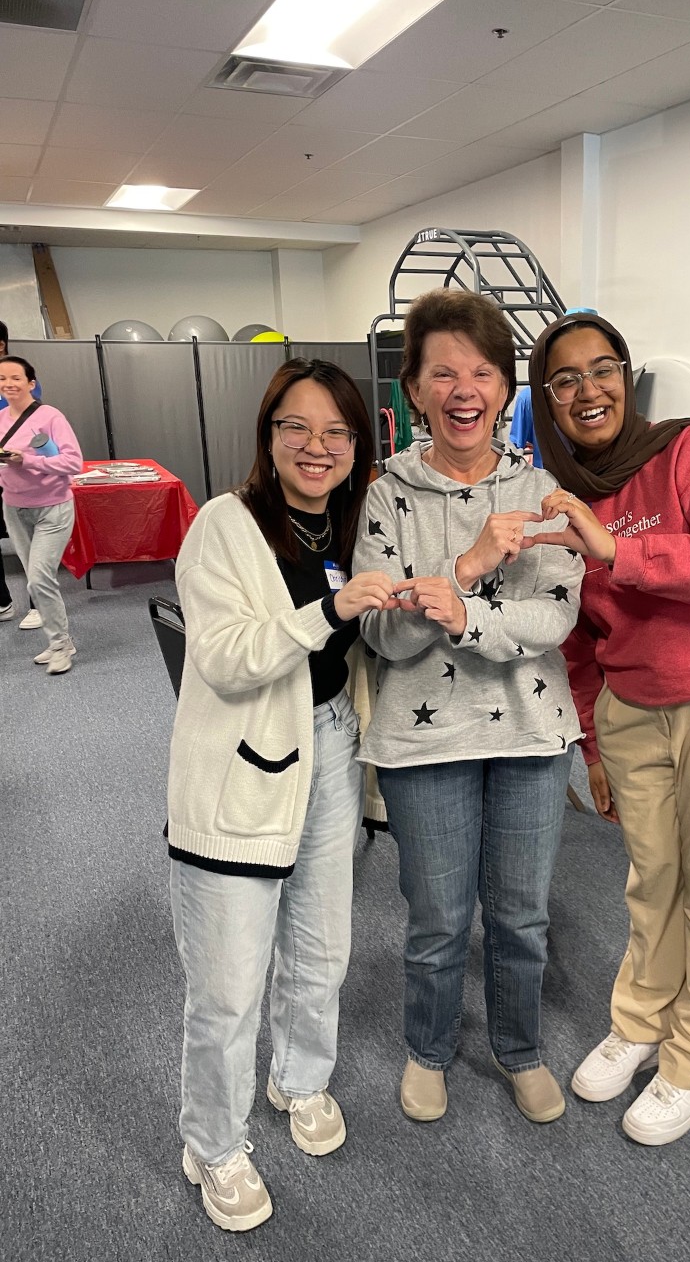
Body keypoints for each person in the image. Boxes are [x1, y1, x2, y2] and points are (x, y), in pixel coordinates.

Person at [526, 312, 690, 1146]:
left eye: (602, 369)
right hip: (632, 711)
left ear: (626, 377)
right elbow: (577, 638)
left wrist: (618, 550)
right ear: (547, 400)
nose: (587, 390)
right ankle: (641, 1021)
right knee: (653, 883)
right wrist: (592, 745)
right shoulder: (562, 497)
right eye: (564, 380)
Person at [167, 358, 396, 1233]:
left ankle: (299, 1078)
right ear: (267, 436)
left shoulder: (350, 523)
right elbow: (224, 658)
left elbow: (366, 636)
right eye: (295, 426)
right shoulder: (224, 525)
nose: (316, 446)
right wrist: (329, 614)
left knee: (321, 943)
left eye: (337, 431)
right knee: (228, 979)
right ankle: (212, 1143)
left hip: (331, 742)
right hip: (240, 763)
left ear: (357, 446)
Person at [352, 289, 585, 1126]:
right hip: (424, 744)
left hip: (531, 733)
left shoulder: (542, 492)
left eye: (483, 372)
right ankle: (429, 1047)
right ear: (413, 390)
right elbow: (384, 633)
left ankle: (520, 1049)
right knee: (438, 919)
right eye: (443, 373)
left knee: (521, 916)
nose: (464, 390)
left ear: (504, 389)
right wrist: (470, 565)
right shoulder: (387, 495)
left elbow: (553, 618)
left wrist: (461, 614)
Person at [0, 356, 82, 672]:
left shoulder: (50, 417)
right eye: (2, 378)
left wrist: (27, 461)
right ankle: (61, 641)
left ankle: (60, 645)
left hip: (53, 508)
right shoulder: (0, 418)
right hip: (14, 509)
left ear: (31, 383)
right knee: (35, 582)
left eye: (16, 378)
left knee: (39, 577)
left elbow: (73, 463)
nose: (8, 384)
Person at [0, 324, 42, 629]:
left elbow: (32, 426)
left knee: (29, 542)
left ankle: (39, 604)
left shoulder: (19, 379)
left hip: (19, 471)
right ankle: (3, 602)